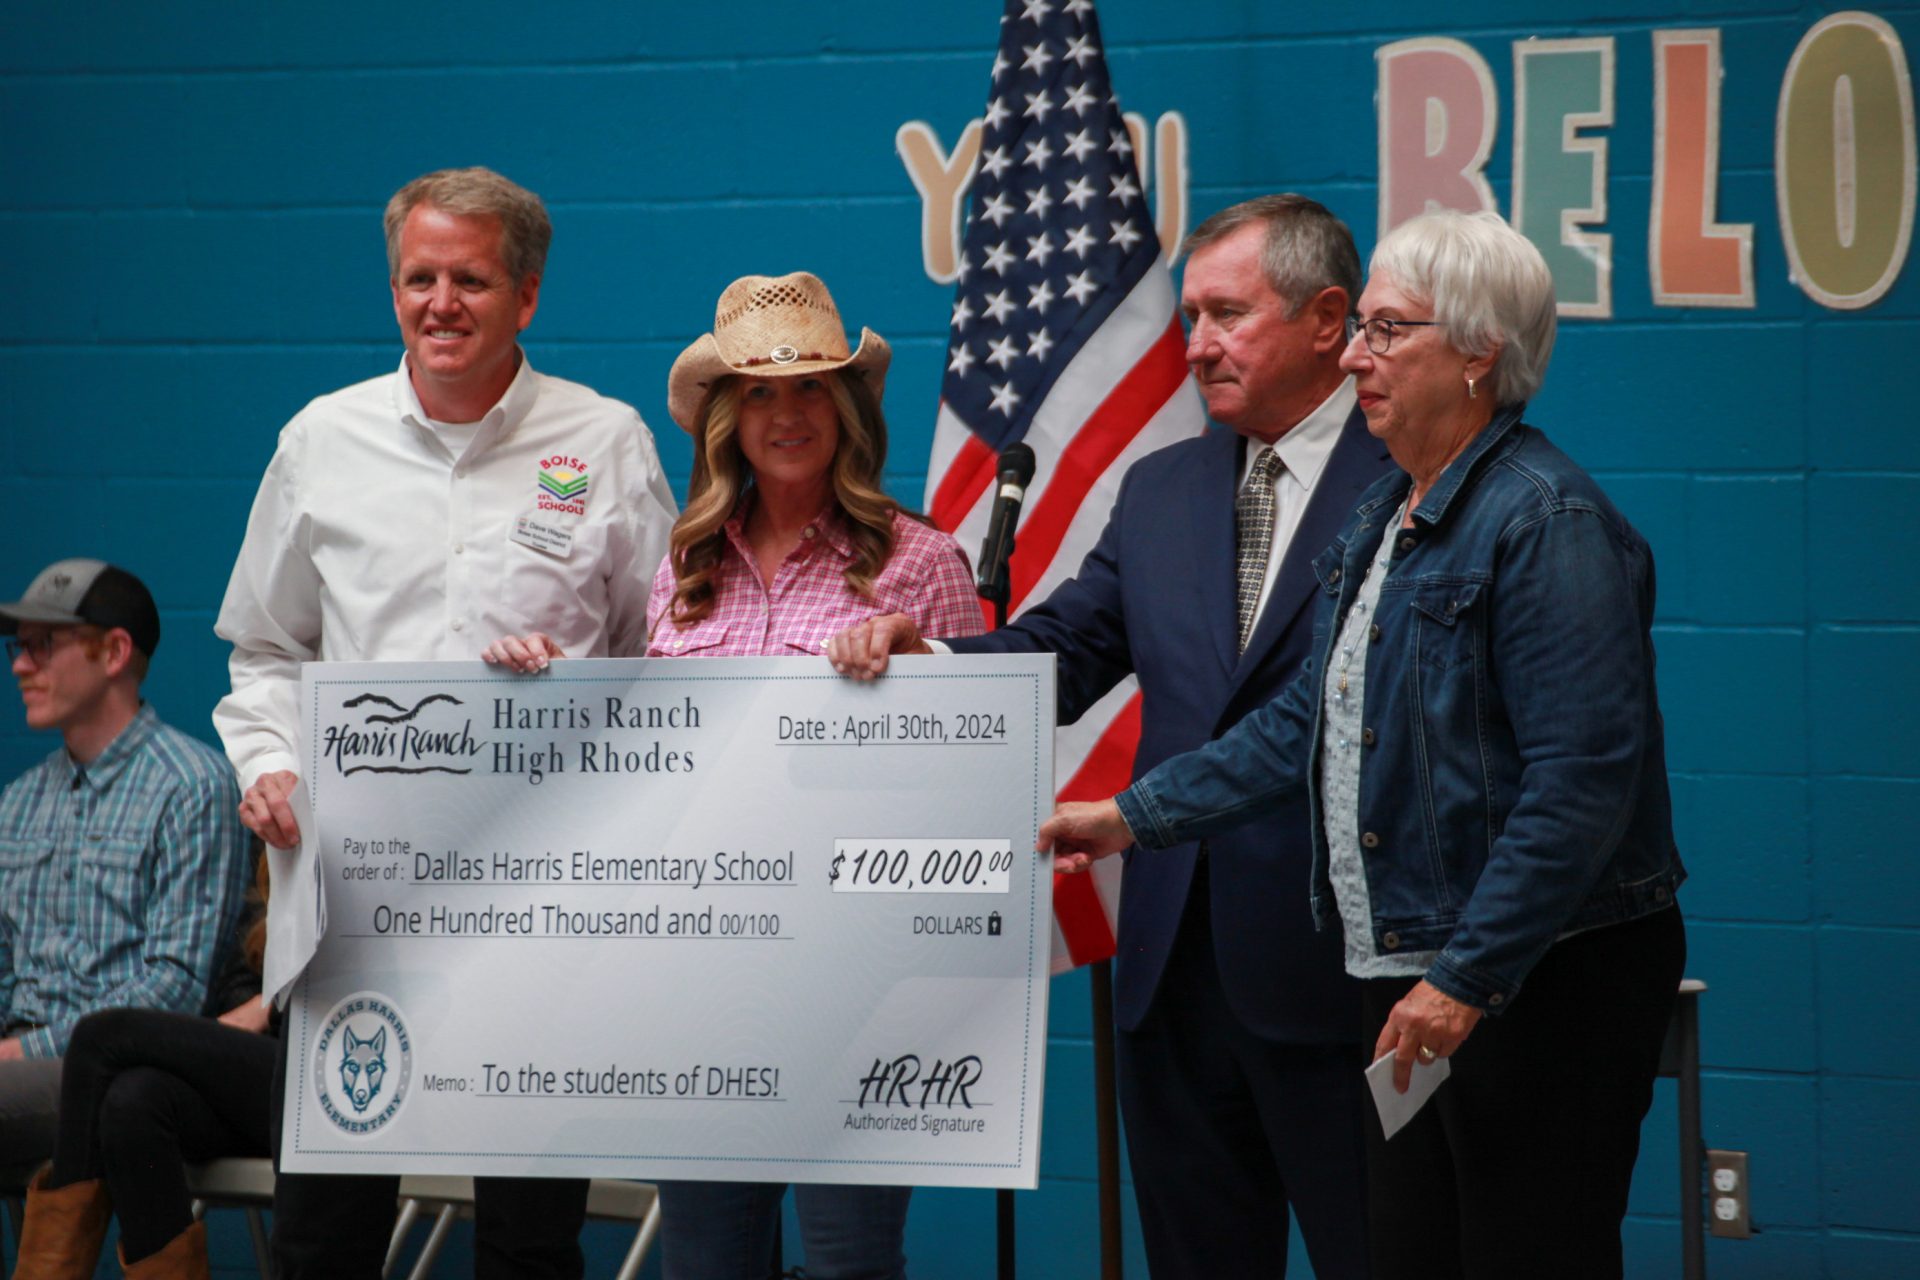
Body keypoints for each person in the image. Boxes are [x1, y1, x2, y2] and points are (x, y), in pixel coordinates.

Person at [1037, 209, 1688, 1280]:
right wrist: (1129, 817)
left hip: (1537, 978)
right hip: (1427, 970)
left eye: (1385, 331)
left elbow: (1582, 785)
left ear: (1477, 353)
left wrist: (1466, 977)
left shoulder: (1547, 521)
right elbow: (1310, 720)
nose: (1352, 357)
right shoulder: (1391, 508)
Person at [828, 195, 1389, 1278]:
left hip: (1339, 969)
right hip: (1173, 967)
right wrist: (929, 658)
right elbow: (1071, 646)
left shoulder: (1407, 480)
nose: (1198, 345)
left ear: (1329, 320)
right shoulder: (1161, 486)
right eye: (1189, 318)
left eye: (1228, 315)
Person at [213, 166, 678, 1280]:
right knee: (323, 1237)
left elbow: (662, 662)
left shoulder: (604, 440)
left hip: (540, 912)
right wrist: (271, 761)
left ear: (527, 295)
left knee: (529, 1241)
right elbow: (265, 649)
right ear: (393, 291)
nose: (441, 303)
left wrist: (570, 690)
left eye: (470, 280)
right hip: (356, 905)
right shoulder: (321, 440)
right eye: (419, 279)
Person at [487, 270, 981, 1280]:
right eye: (759, 392)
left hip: (859, 975)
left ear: (846, 409)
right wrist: (552, 689)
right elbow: (651, 767)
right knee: (706, 1261)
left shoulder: (922, 562)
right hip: (702, 977)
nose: (786, 414)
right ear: (727, 419)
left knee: (848, 1264)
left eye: (809, 389)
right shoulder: (685, 566)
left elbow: (974, 780)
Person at [0, 560, 250, 1184]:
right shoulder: (18, 801)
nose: (20, 666)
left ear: (114, 652)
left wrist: (19, 1051)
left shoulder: (193, 786)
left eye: (42, 645)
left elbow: (177, 988)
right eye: (18, 647)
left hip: (114, 1071)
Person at [8, 856, 272, 1280]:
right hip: (255, 1072)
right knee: (132, 1103)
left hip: (323, 1077)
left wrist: (276, 1001)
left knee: (102, 1035)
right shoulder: (285, 846)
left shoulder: (368, 853)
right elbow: (241, 977)